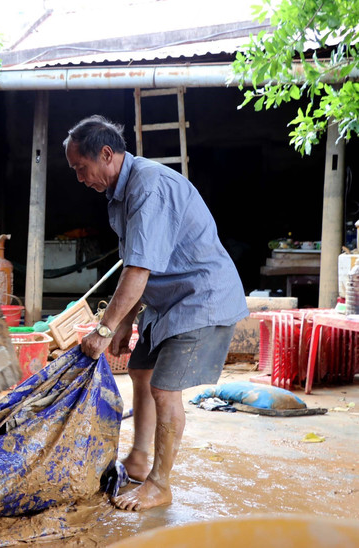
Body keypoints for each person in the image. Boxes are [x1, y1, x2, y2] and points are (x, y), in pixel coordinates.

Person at [64, 115, 248, 511]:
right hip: (167, 300)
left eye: (81, 168)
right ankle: (140, 458)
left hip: (201, 297)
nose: (80, 178)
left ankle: (160, 484)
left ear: (107, 155)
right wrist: (126, 321)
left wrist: (105, 326)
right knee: (140, 370)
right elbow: (138, 259)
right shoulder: (122, 192)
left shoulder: (149, 186)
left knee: (165, 389)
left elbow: (139, 268)